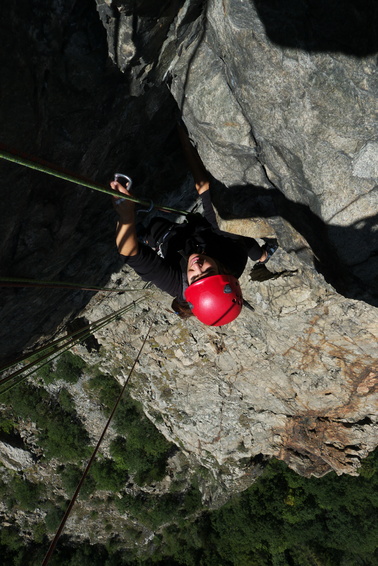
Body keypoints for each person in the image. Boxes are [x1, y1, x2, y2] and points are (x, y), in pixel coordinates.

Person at [111, 125, 277, 326]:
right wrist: (185, 135)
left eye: (194, 278)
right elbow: (204, 188)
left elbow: (129, 254)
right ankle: (264, 255)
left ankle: (148, 237)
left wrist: (125, 213)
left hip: (176, 240)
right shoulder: (233, 258)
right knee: (251, 248)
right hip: (220, 239)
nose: (196, 267)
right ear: (224, 271)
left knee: (156, 227)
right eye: (207, 271)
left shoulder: (178, 285)